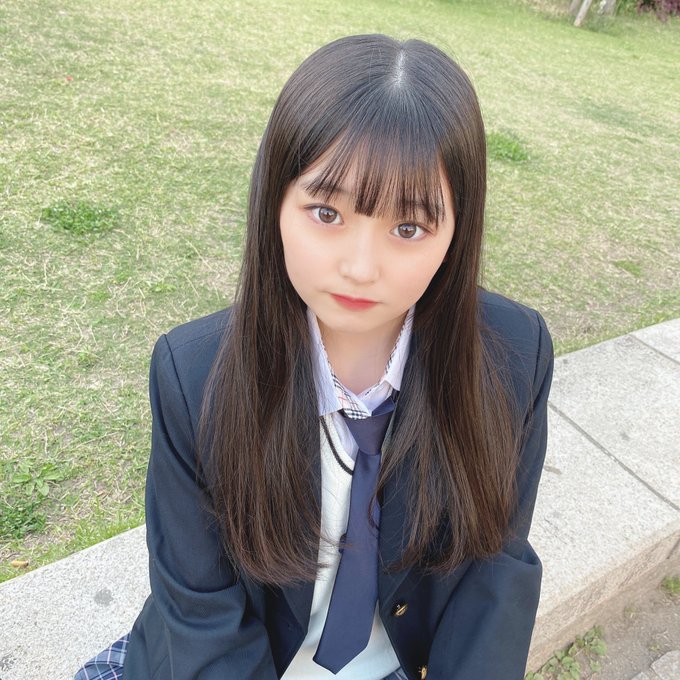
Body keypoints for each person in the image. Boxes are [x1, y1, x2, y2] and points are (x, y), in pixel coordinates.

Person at [75, 34, 553, 680]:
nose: (360, 267)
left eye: (408, 228)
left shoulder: (515, 357)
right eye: (326, 213)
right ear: (274, 200)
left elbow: (495, 572)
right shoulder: (195, 378)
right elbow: (205, 615)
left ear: (457, 231)